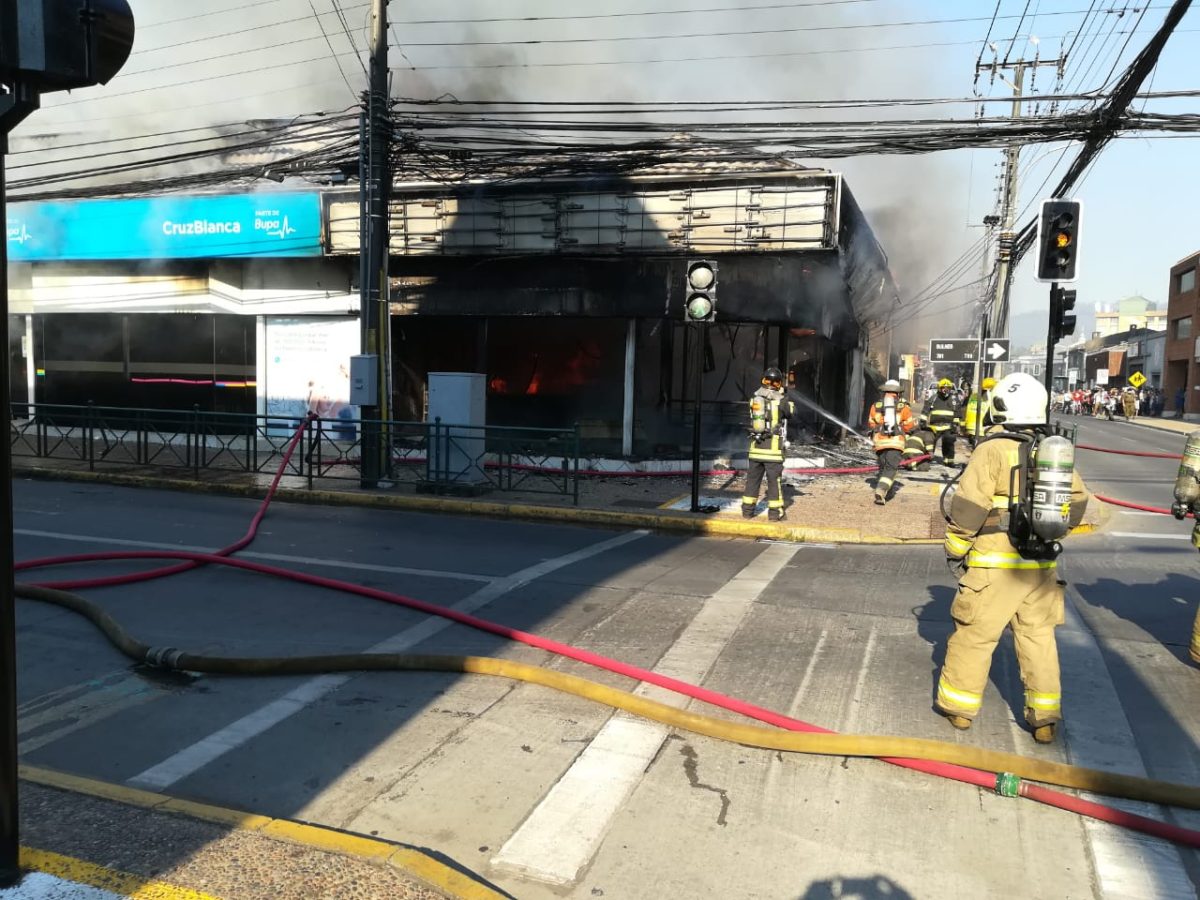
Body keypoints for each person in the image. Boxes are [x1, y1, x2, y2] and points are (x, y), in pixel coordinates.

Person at [936, 372, 1089, 743]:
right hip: (1040, 567)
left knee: (975, 636)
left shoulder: (992, 449)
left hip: (994, 567)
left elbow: (970, 506)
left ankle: (959, 709)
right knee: (1038, 640)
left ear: (1003, 407)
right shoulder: (1051, 449)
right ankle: (1045, 719)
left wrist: (955, 547)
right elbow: (1079, 501)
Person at [742, 367, 798, 522]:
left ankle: (747, 512)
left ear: (763, 380)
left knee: (752, 481)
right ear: (778, 383)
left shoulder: (754, 399)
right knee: (774, 484)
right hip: (773, 451)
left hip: (755, 449)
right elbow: (791, 412)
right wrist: (784, 394)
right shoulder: (782, 400)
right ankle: (775, 514)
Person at [867, 379, 916, 505]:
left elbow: (871, 424)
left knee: (884, 467)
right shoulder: (903, 407)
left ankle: (885, 489)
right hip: (895, 443)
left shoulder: (875, 406)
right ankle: (881, 490)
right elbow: (909, 425)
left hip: (879, 443)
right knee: (891, 468)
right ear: (898, 393)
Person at [917, 378, 961, 466]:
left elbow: (957, 412)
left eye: (948, 388)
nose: (946, 390)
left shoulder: (954, 400)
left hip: (948, 426)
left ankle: (949, 461)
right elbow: (926, 409)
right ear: (939, 388)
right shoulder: (933, 398)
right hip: (934, 426)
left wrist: (955, 424)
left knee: (949, 441)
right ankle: (927, 459)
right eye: (943, 388)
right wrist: (923, 421)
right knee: (930, 442)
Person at [961, 376, 997, 447]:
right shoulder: (990, 398)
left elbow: (964, 411)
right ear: (991, 388)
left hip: (970, 428)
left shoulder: (973, 396)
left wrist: (963, 427)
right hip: (981, 430)